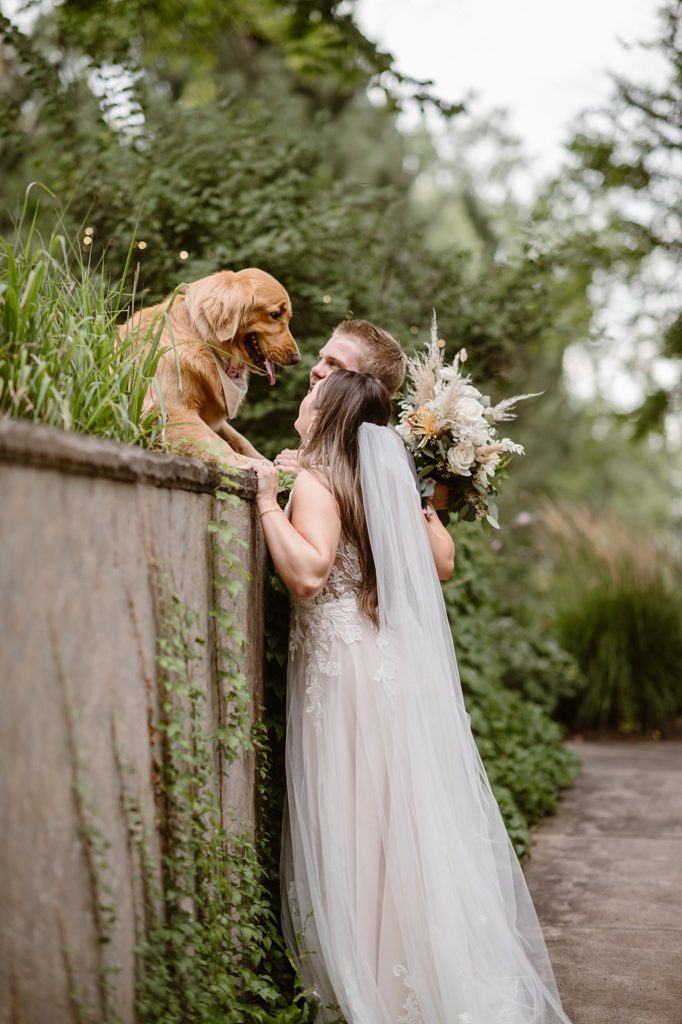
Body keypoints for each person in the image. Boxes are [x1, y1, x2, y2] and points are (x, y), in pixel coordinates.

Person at [253, 370, 573, 1024]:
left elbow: (310, 574)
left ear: (329, 410)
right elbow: (442, 560)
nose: (304, 395)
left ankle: (371, 983)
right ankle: (410, 975)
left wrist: (263, 501)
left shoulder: (317, 482)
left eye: (315, 390)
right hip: (384, 670)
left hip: (341, 681)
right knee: (391, 828)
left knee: (353, 822)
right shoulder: (380, 485)